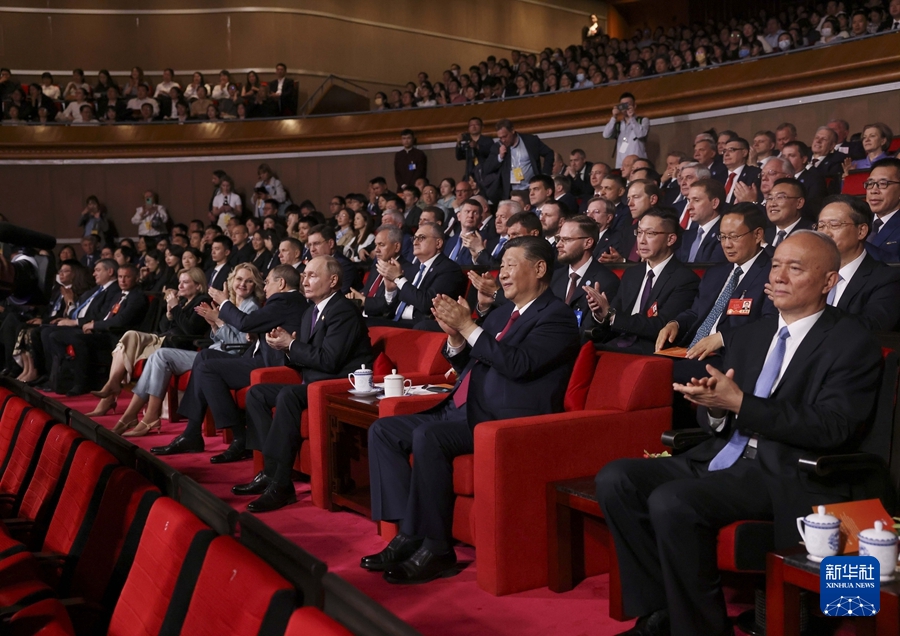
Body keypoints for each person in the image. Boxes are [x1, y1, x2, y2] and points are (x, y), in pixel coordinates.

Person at [595, 230, 882, 636]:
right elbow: (722, 410)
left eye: (794, 268)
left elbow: (833, 427)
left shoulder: (851, 342)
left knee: (673, 501)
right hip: (722, 455)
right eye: (776, 265)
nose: (778, 276)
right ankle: (660, 613)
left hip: (784, 471)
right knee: (616, 479)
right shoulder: (750, 334)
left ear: (828, 281)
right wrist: (713, 408)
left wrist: (742, 405)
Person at [362, 236, 581, 584]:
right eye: (503, 264)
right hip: (462, 407)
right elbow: (471, 363)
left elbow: (519, 365)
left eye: (511, 264)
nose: (502, 273)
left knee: (428, 436)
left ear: (539, 269)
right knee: (384, 430)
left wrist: (469, 326)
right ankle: (407, 532)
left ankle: (437, 549)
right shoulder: (503, 313)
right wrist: (455, 338)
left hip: (503, 418)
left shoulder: (557, 317)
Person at [239, 256, 374, 511]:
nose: (304, 280)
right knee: (257, 394)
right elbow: (306, 359)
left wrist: (291, 345)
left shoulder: (343, 311)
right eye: (304, 275)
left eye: (312, 275)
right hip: (313, 383)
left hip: (339, 386)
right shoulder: (311, 311)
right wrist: (285, 347)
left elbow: (329, 361)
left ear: (333, 280)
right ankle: (270, 472)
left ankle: (282, 485)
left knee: (288, 396)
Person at [151, 264, 308, 460]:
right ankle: (192, 432)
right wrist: (256, 335)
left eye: (267, 282)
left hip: (269, 365)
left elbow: (244, 323)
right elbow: (256, 327)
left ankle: (238, 437)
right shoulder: (287, 302)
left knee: (208, 368)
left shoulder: (284, 300)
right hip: (257, 355)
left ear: (281, 283)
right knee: (204, 356)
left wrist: (225, 303)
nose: (265, 287)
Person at [86, 267, 211, 420]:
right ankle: (112, 385)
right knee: (129, 337)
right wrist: (170, 314)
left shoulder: (202, 301)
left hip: (176, 345)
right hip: (162, 338)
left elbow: (191, 330)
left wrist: (176, 308)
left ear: (198, 285)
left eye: (185, 282)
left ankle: (110, 396)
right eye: (180, 282)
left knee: (125, 346)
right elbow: (164, 327)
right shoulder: (183, 301)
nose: (180, 286)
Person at [586, 207, 700, 354]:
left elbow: (661, 325)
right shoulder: (632, 274)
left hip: (649, 350)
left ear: (670, 239)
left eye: (651, 233)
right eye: (639, 233)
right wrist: (600, 313)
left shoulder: (685, 279)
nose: (642, 240)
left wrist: (612, 315)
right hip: (616, 344)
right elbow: (613, 314)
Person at [46, 263, 148, 396]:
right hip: (102, 331)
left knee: (77, 339)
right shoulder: (120, 294)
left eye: (127, 277)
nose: (122, 280)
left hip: (117, 337)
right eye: (120, 277)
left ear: (135, 278)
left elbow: (120, 321)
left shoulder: (137, 297)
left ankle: (81, 383)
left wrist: (94, 326)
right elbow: (105, 316)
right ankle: (62, 375)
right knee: (55, 335)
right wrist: (94, 325)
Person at [817, 195, 900, 330]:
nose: (825, 233)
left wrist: (812, 308)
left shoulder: (887, 278)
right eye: (821, 226)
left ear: (861, 231)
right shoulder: (811, 273)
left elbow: (873, 326)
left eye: (834, 225)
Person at [374, 221, 467, 328]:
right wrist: (391, 291)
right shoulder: (412, 269)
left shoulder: (449, 269)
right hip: (396, 321)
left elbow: (427, 304)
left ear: (438, 243)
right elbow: (389, 308)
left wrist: (398, 278)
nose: (415, 242)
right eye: (414, 238)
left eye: (421, 238)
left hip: (419, 325)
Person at [551, 215, 620, 339]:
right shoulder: (554, 277)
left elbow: (596, 332)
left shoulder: (606, 281)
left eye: (566, 239)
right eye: (558, 239)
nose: (558, 245)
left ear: (587, 243)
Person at [347, 225, 419, 321]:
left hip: (382, 321)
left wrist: (364, 301)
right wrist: (355, 298)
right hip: (363, 316)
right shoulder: (376, 268)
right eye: (376, 245)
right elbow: (366, 293)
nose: (376, 249)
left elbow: (393, 304)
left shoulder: (408, 270)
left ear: (396, 247)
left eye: (381, 245)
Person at [482, 118, 554, 200]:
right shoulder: (497, 147)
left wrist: (545, 175)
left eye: (505, 136)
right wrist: (500, 156)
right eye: (500, 138)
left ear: (512, 130)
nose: (503, 140)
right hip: (511, 191)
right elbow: (487, 168)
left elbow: (549, 153)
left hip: (531, 188)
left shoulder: (530, 141)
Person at [675, 179, 727, 263]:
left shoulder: (725, 234)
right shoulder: (687, 236)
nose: (689, 207)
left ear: (714, 203)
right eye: (689, 201)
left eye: (696, 200)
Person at [865, 158, 900, 262]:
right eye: (870, 183)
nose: (874, 190)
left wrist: (856, 245)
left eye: (883, 183)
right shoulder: (859, 220)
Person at [602, 92, 649, 169]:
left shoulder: (643, 120)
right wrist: (614, 117)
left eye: (628, 105)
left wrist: (632, 118)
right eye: (623, 105)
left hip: (638, 164)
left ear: (634, 106)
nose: (625, 107)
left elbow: (641, 134)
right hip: (622, 165)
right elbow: (606, 135)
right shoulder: (618, 124)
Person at [764, 177, 808, 247]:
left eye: (780, 197)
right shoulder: (764, 235)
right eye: (770, 198)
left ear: (799, 203)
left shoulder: (810, 235)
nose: (772, 204)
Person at [455, 117, 493, 183]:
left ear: (482, 127)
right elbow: (459, 157)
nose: (474, 127)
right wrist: (458, 143)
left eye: (476, 125)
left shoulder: (488, 140)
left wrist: (477, 146)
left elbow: (491, 153)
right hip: (470, 173)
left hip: (484, 172)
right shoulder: (466, 141)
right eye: (471, 125)